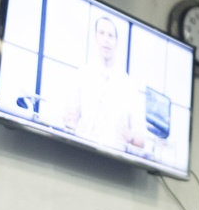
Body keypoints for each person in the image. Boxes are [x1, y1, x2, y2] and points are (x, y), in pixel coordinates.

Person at [63, 15, 146, 151]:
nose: (106, 39)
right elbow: (70, 119)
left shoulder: (128, 85)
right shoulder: (82, 75)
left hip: (115, 161)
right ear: (96, 38)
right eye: (102, 34)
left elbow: (141, 138)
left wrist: (131, 137)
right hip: (80, 153)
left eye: (110, 35)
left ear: (116, 41)